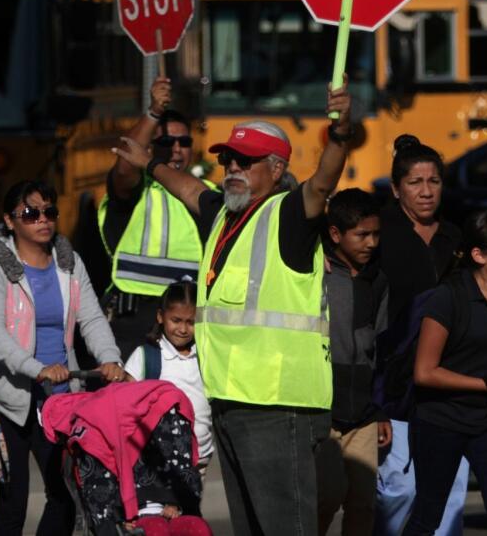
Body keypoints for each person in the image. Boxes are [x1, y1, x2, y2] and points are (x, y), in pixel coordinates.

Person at [111, 82, 355, 535]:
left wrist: (339, 135)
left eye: (246, 161)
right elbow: (188, 189)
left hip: (278, 404)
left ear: (277, 168)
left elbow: (322, 184)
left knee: (284, 527)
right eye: (228, 160)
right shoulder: (225, 214)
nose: (233, 169)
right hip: (230, 399)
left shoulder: (289, 214)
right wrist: (151, 164)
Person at [0, 180, 127, 536]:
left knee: (66, 497)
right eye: (30, 213)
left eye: (49, 212)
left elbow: (91, 318)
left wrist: (110, 359)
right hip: (4, 400)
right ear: (10, 221)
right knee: (12, 503)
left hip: (59, 400)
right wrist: (37, 369)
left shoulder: (69, 264)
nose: (42, 219)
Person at [402, 208, 487, 536]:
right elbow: (425, 372)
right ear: (479, 254)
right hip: (441, 420)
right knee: (428, 515)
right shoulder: (449, 297)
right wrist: (486, 384)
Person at [375, 135, 468, 536]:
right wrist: (374, 405)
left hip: (449, 387)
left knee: (450, 496)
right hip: (394, 389)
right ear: (396, 189)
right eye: (415, 182)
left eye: (434, 181)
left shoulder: (457, 239)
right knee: (399, 491)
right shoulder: (379, 237)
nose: (427, 192)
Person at [100, 73, 208, 360]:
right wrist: (153, 113)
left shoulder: (207, 194)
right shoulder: (136, 190)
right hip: (132, 320)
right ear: (148, 147)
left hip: (186, 323)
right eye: (166, 141)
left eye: (183, 141)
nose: (175, 148)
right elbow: (124, 164)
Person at [316, 188, 393, 535]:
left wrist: (380, 409)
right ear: (335, 235)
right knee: (326, 495)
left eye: (376, 234)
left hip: (363, 411)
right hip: (323, 408)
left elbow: (379, 346)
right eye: (362, 234)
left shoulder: (377, 281)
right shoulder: (315, 273)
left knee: (363, 503)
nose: (371, 243)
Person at [124, 281, 215, 475]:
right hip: (158, 465)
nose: (183, 329)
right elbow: (127, 409)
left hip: (200, 462)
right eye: (176, 320)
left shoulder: (207, 356)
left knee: (190, 506)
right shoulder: (145, 357)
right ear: (160, 317)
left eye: (190, 322)